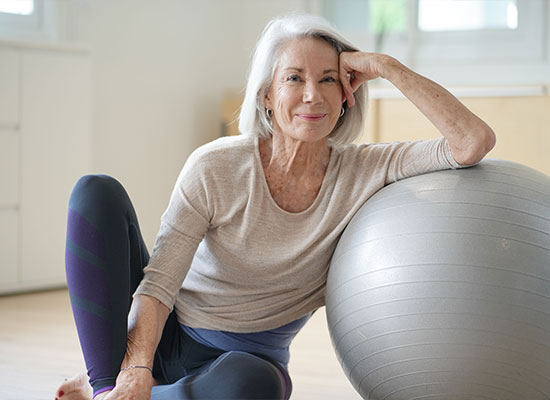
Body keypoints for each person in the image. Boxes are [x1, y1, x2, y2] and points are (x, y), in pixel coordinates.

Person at [56, 13, 495, 400]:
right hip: (165, 333)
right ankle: (108, 388)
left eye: (328, 79)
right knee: (96, 192)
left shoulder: (366, 170)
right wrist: (137, 367)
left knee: (253, 385)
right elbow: (159, 284)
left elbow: (471, 142)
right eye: (294, 78)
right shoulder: (217, 165)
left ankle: (132, 393)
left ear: (346, 95)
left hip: (242, 365)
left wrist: (386, 66)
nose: (312, 95)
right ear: (266, 94)